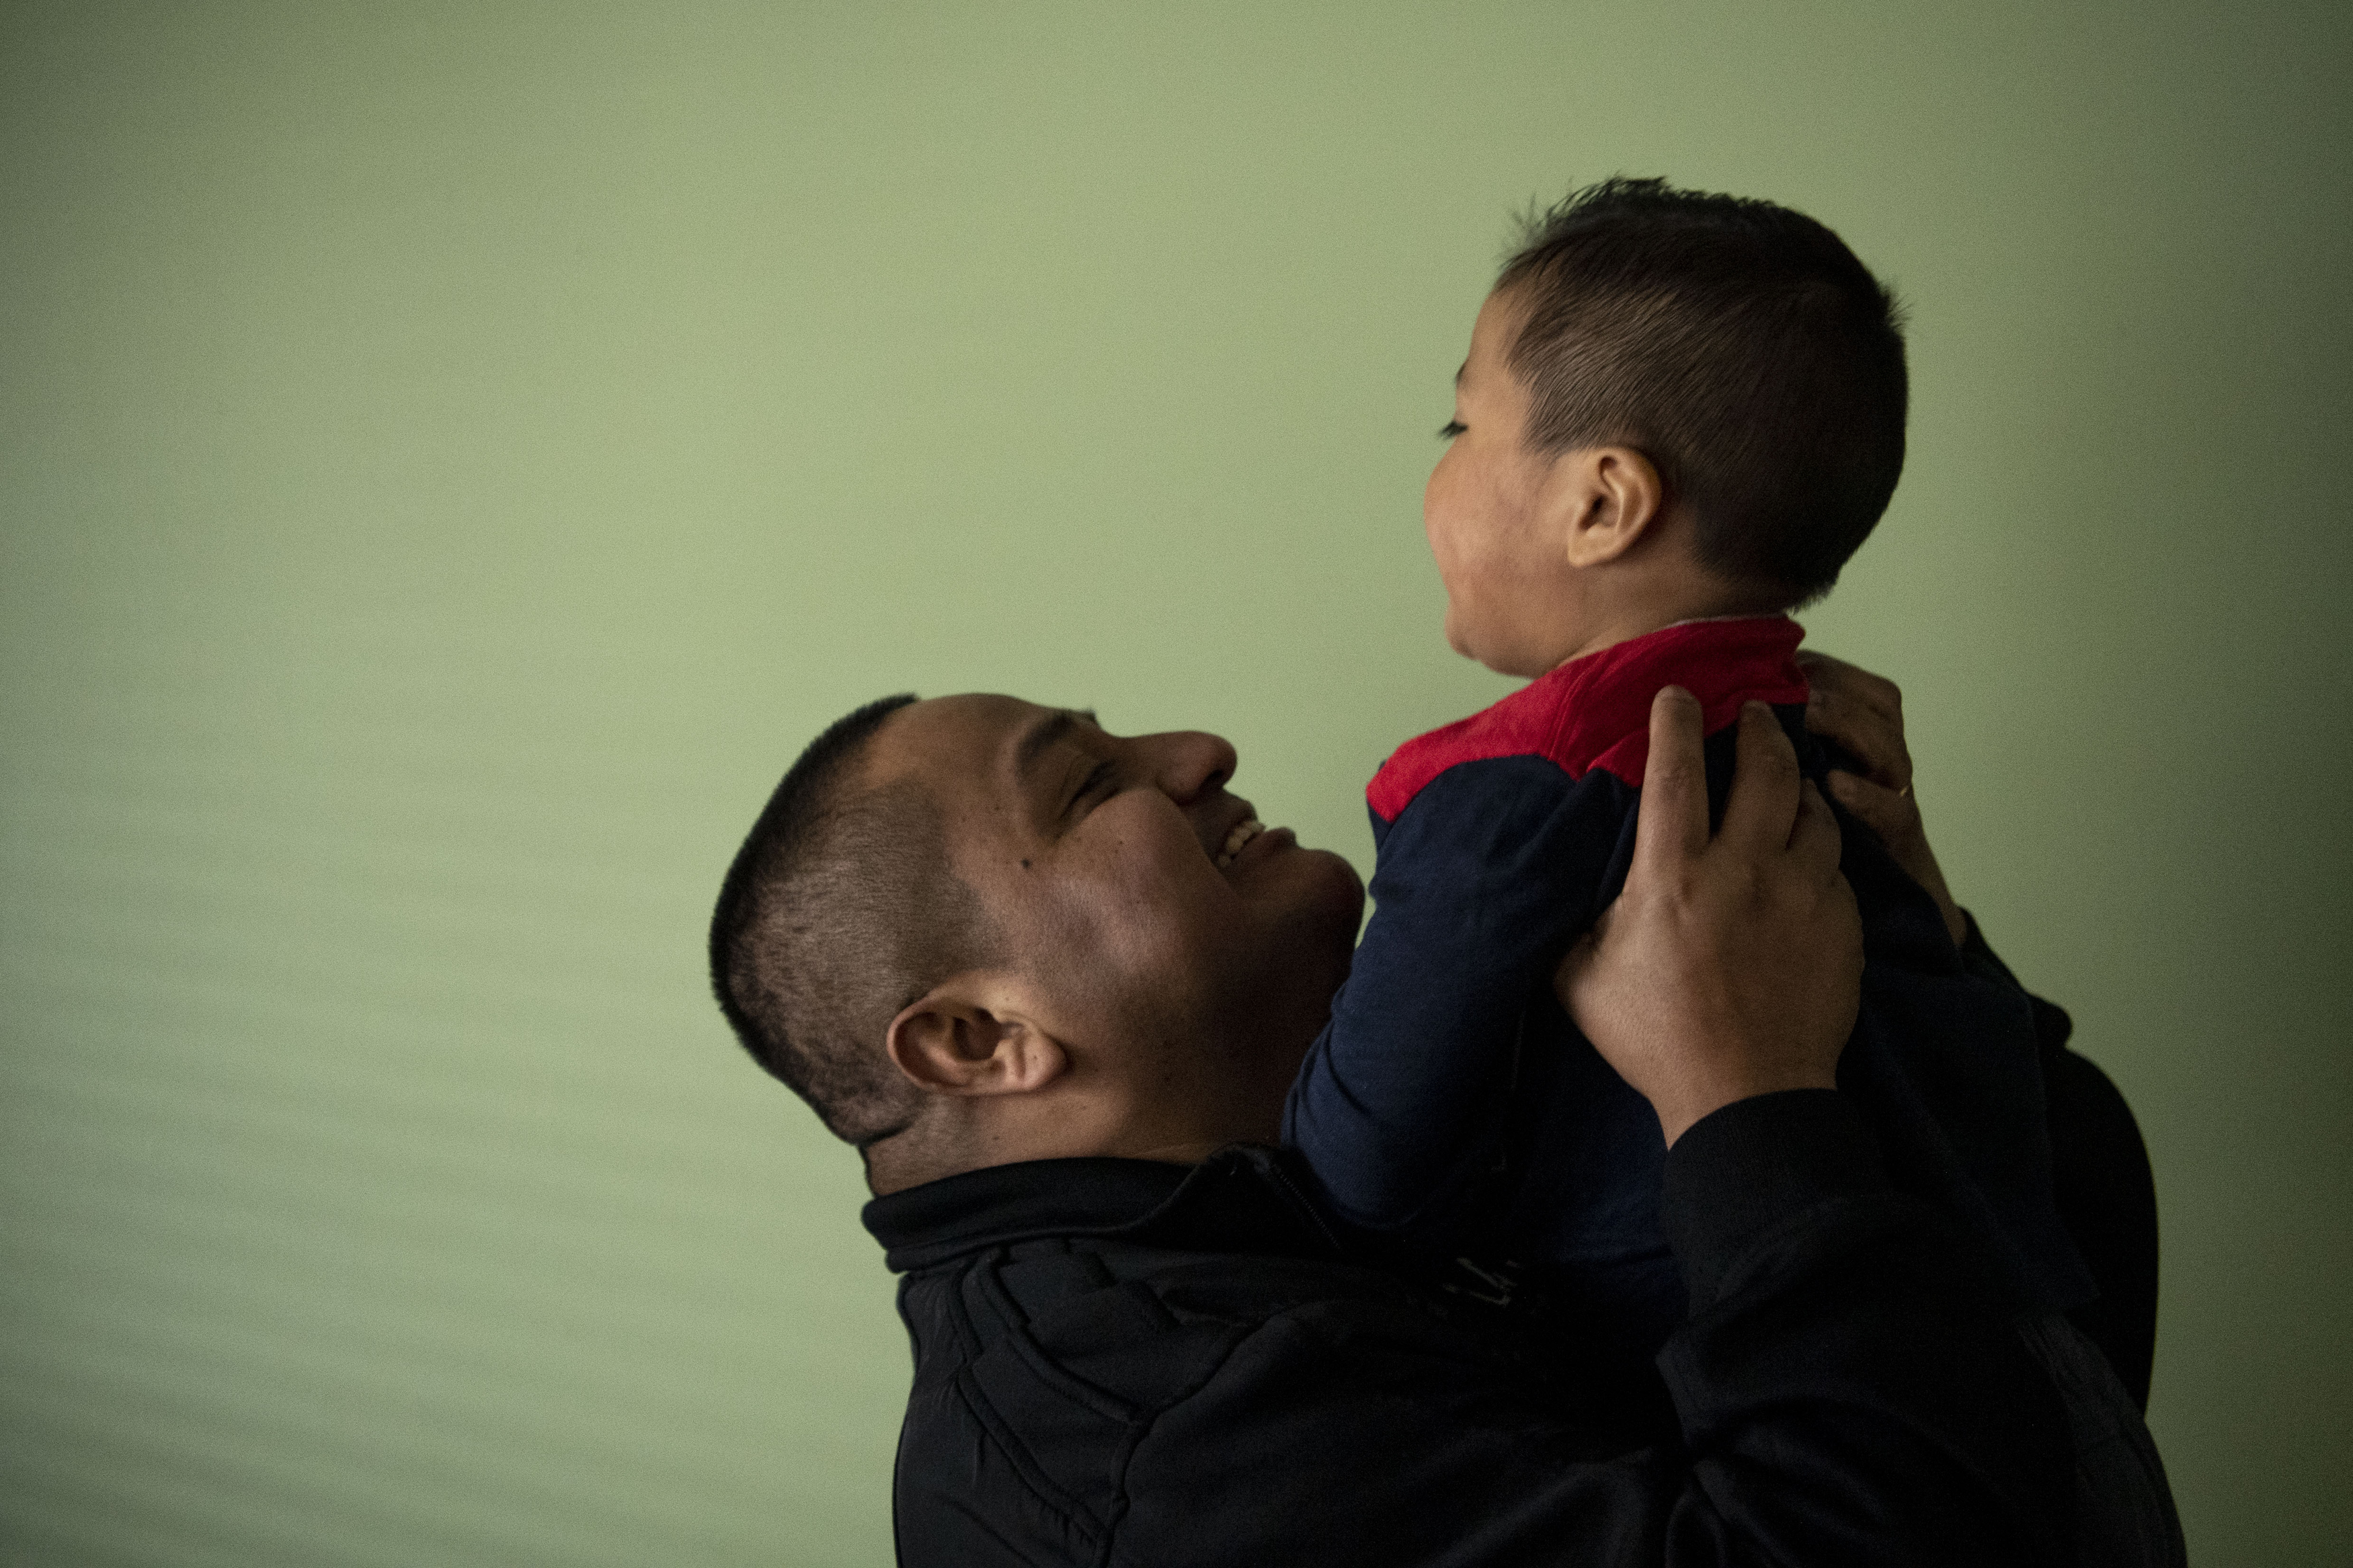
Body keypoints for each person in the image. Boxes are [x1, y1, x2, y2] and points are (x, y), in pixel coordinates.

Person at [707, 675, 2145, 1565]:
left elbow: (2045, 1323)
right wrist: (1746, 1098)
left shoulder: (1363, 1168)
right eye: (1090, 783)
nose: (1197, 745)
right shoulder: (1150, 1456)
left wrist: (1914, 947)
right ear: (979, 1041)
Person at [1285, 179, 2093, 1373]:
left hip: (1738, 1402)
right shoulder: (1824, 745)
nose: (1440, 470)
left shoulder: (1516, 792)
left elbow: (1355, 1169)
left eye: (1460, 427)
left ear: (1603, 502)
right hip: (2006, 1368)